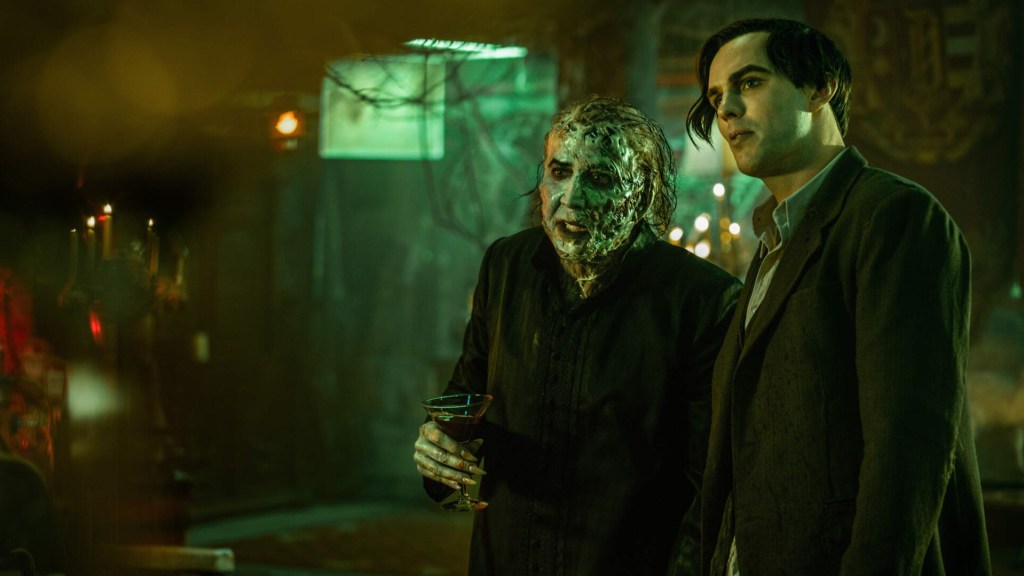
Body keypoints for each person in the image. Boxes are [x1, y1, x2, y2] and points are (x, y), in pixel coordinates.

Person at [684, 17, 991, 575]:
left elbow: (908, 447)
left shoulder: (891, 217)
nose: (726, 109)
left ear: (819, 88)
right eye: (716, 96)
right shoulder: (772, 244)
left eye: (749, 82)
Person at [413, 96, 741, 576]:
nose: (571, 197)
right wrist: (438, 449)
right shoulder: (507, 267)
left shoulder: (701, 300)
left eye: (601, 178)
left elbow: (708, 486)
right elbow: (466, 399)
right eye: (559, 172)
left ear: (641, 195)